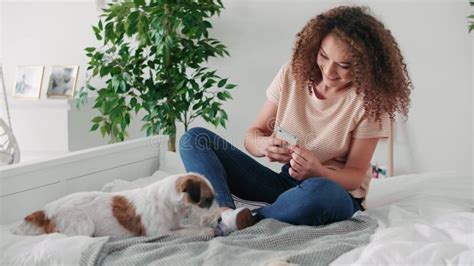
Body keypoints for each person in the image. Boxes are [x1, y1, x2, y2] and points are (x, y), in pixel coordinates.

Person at [179, 6, 412, 235]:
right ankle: (225, 213)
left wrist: (319, 171)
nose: (329, 71)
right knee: (194, 139)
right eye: (324, 56)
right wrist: (263, 145)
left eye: (344, 65)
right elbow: (253, 134)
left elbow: (354, 176)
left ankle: (255, 218)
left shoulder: (370, 102)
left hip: (331, 191)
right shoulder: (292, 74)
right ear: (315, 47)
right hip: (284, 184)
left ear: (366, 66)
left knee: (320, 192)